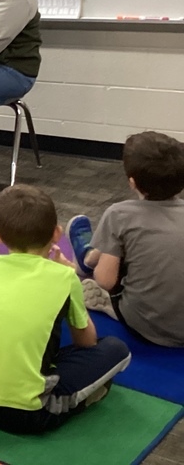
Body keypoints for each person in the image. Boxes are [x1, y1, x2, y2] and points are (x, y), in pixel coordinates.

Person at [0, 185, 131, 434]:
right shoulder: (65, 277)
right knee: (116, 349)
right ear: (57, 234)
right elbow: (86, 341)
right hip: (28, 416)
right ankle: (71, 399)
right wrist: (70, 277)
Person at [67, 131, 184, 347]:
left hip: (147, 326)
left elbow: (105, 280)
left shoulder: (120, 214)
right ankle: (95, 254)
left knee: (112, 259)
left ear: (132, 182)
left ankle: (90, 258)